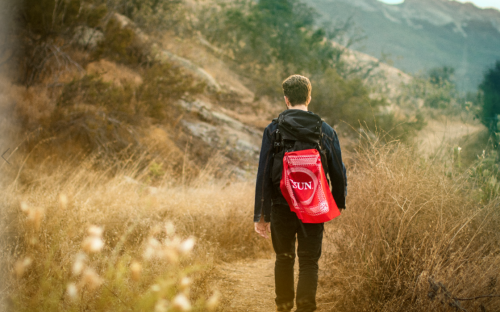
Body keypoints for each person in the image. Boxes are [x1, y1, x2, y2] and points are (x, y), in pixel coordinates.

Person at [254, 75, 347, 312]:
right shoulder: (325, 131)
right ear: (309, 97)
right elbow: (338, 172)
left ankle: (283, 308)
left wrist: (261, 215)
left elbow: (263, 174)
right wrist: (336, 205)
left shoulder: (273, 130)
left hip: (281, 205)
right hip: (314, 205)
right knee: (308, 262)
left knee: (284, 259)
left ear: (286, 99)